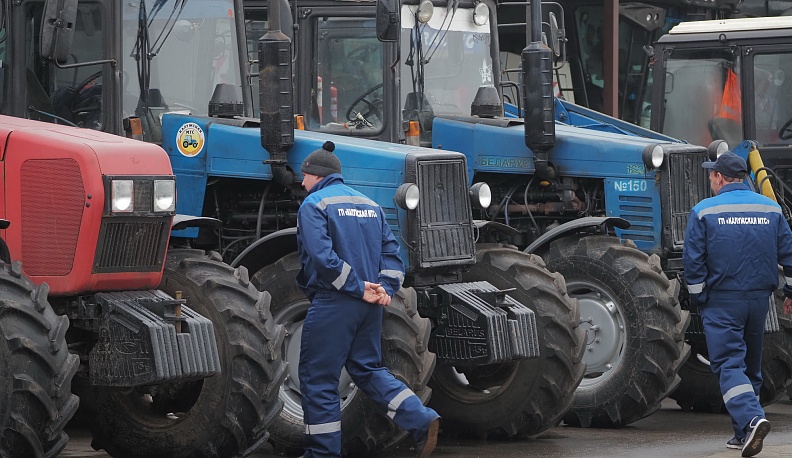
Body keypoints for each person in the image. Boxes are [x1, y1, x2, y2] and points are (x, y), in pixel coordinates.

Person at [295, 140, 441, 458]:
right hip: (370, 305)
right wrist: (384, 290)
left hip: (336, 302)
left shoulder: (314, 205)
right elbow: (392, 255)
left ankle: (321, 454)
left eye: (303, 176)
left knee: (318, 378)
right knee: (368, 369)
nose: (301, 182)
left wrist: (356, 287)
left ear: (314, 174)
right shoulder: (370, 205)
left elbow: (322, 259)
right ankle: (420, 419)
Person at [683, 151, 792, 457]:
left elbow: (693, 262)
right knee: (749, 367)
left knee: (728, 365)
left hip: (722, 301)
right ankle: (742, 433)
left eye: (711, 175)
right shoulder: (771, 209)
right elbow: (789, 254)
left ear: (719, 177)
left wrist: (699, 297)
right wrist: (791, 294)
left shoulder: (704, 211)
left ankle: (753, 418)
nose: (709, 179)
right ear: (744, 177)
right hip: (760, 301)